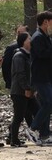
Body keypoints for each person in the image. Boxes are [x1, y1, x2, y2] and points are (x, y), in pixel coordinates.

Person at [29, 11, 52, 144]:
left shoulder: (45, 37)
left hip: (46, 77)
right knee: (49, 103)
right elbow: (42, 54)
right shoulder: (37, 37)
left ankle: (44, 134)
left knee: (46, 104)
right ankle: (33, 128)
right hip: (40, 77)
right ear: (45, 22)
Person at [9, 32, 35, 146]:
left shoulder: (28, 55)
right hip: (19, 92)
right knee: (19, 116)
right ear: (23, 42)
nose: (31, 40)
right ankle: (13, 140)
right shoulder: (19, 56)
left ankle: (38, 134)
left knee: (37, 111)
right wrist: (26, 88)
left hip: (28, 90)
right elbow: (20, 74)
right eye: (29, 38)